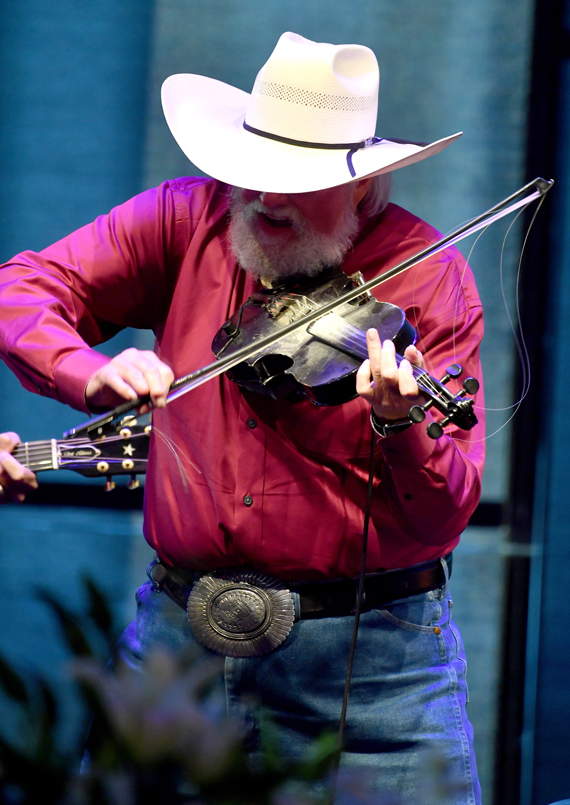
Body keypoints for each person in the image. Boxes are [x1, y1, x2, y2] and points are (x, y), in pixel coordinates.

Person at [0, 32, 484, 804]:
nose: (264, 197)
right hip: (180, 644)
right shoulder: (185, 220)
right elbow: (22, 289)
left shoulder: (427, 279)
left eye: (297, 178)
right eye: (252, 171)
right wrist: (91, 372)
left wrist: (403, 426)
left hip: (373, 668)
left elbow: (443, 512)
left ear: (361, 186)